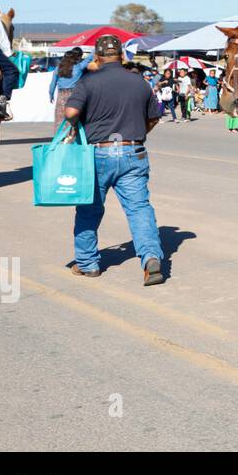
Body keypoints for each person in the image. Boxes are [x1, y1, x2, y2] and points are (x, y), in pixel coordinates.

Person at [63, 35, 167, 286]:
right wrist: (137, 133)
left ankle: (88, 264)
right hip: (133, 151)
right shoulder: (139, 82)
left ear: (97, 57)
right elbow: (154, 117)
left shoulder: (88, 81)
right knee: (139, 208)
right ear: (121, 56)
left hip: (99, 153)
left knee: (89, 209)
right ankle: (151, 257)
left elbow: (70, 113)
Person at [49, 47, 92, 128]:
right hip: (74, 94)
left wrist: (51, 95)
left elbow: (53, 83)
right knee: (73, 116)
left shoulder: (58, 68)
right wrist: (97, 45)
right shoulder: (78, 67)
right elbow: (89, 58)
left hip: (61, 95)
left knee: (60, 116)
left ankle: (60, 135)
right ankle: (71, 135)